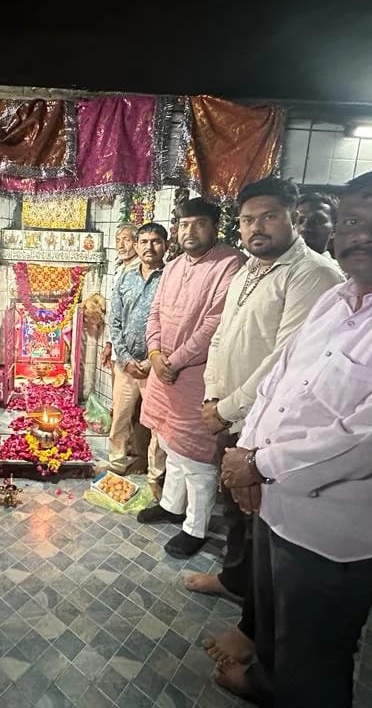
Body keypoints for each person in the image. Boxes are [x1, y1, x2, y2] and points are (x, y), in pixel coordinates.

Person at [214, 163, 372, 707]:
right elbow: (280, 378)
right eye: (353, 221)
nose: (366, 235)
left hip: (334, 531)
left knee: (314, 657)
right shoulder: (339, 297)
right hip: (274, 501)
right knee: (275, 627)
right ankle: (266, 682)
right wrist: (247, 452)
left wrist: (256, 464)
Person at [185, 177, 343, 663]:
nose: (257, 227)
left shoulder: (314, 275)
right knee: (238, 511)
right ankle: (234, 581)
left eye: (269, 216)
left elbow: (285, 361)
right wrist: (212, 396)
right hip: (231, 413)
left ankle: (253, 629)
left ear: (294, 217)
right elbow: (222, 336)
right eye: (248, 219)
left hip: (269, 425)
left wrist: (225, 409)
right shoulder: (249, 269)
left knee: (264, 528)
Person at [138, 199, 245, 557]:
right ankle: (171, 505)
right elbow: (155, 312)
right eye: (184, 224)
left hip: (196, 376)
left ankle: (195, 528)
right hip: (164, 372)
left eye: (199, 224)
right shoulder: (172, 266)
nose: (190, 231)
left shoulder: (230, 264)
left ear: (215, 226)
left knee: (196, 458)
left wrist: (175, 361)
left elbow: (214, 324)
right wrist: (155, 354)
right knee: (170, 444)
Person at [108, 222, 167, 485]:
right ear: (136, 245)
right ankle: (116, 465)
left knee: (157, 424)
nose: (149, 247)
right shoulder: (126, 277)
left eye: (155, 241)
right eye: (143, 242)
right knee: (120, 418)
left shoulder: (171, 279)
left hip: (156, 366)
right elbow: (115, 320)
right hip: (126, 366)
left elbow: (173, 324)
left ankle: (156, 476)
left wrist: (151, 361)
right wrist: (124, 358)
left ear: (166, 245)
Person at [100, 223, 140, 372]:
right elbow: (116, 313)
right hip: (118, 344)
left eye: (126, 240)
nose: (121, 245)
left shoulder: (141, 269)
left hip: (135, 349)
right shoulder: (120, 269)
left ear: (136, 243)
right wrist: (110, 344)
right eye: (118, 240)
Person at [296, 190, 340, 265]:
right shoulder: (280, 268)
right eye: (300, 221)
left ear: (334, 230)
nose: (304, 228)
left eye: (317, 220)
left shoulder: (339, 271)